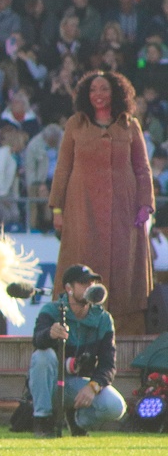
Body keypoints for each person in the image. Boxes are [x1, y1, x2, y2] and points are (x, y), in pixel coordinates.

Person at [49, 70, 155, 335]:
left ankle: (125, 332)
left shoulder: (129, 125)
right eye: (93, 89)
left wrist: (145, 205)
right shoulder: (75, 123)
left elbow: (142, 168)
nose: (98, 95)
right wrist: (57, 209)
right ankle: (77, 327)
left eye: (104, 89)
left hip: (124, 211)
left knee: (125, 273)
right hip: (81, 210)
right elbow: (62, 168)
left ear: (116, 93)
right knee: (80, 265)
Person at [29, 264, 127, 437]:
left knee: (115, 406)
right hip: (50, 386)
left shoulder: (103, 319)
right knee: (42, 356)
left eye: (92, 282)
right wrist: (49, 334)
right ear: (68, 288)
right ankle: (42, 421)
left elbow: (108, 365)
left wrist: (93, 387)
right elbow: (37, 340)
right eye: (83, 283)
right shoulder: (51, 311)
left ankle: (78, 421)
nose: (90, 287)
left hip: (77, 384)